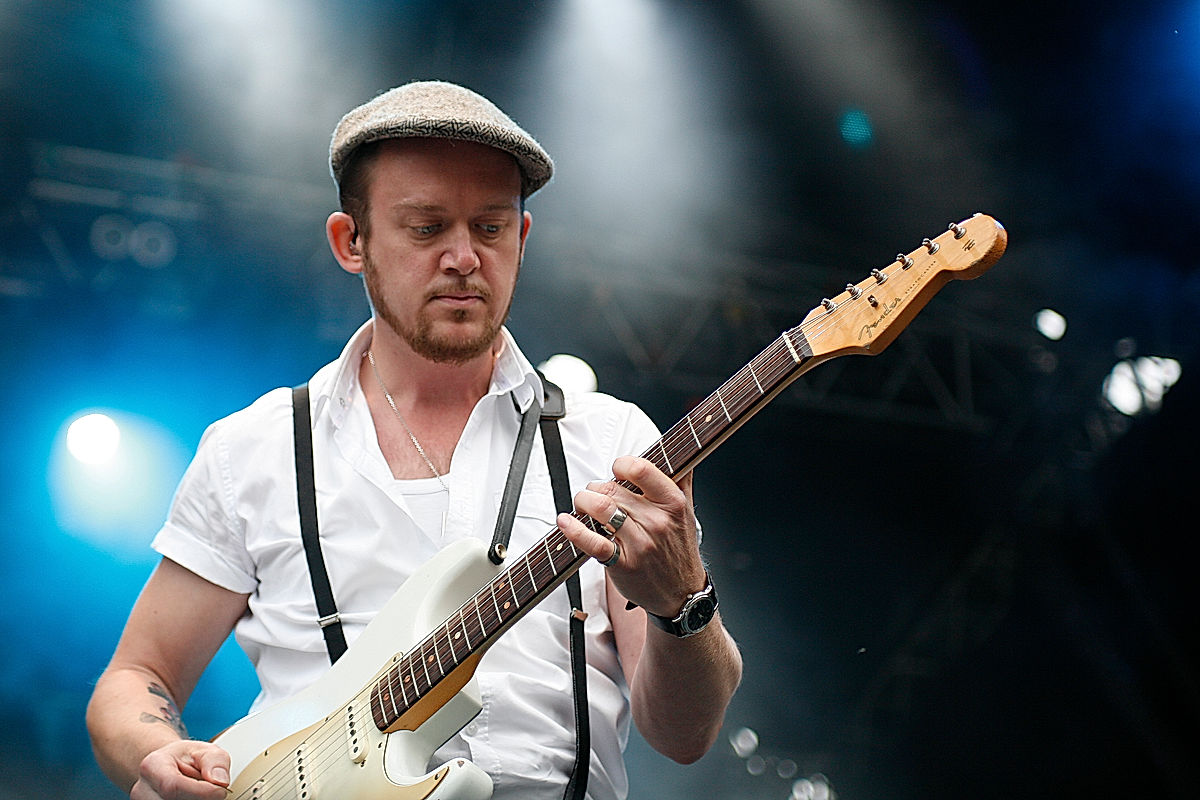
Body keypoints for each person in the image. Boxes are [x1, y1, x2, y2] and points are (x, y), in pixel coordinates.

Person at [86, 80, 742, 800]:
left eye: (490, 228)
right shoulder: (254, 450)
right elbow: (136, 676)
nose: (464, 257)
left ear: (521, 240)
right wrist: (156, 752)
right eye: (426, 228)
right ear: (351, 242)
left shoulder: (613, 442)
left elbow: (684, 738)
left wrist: (685, 602)